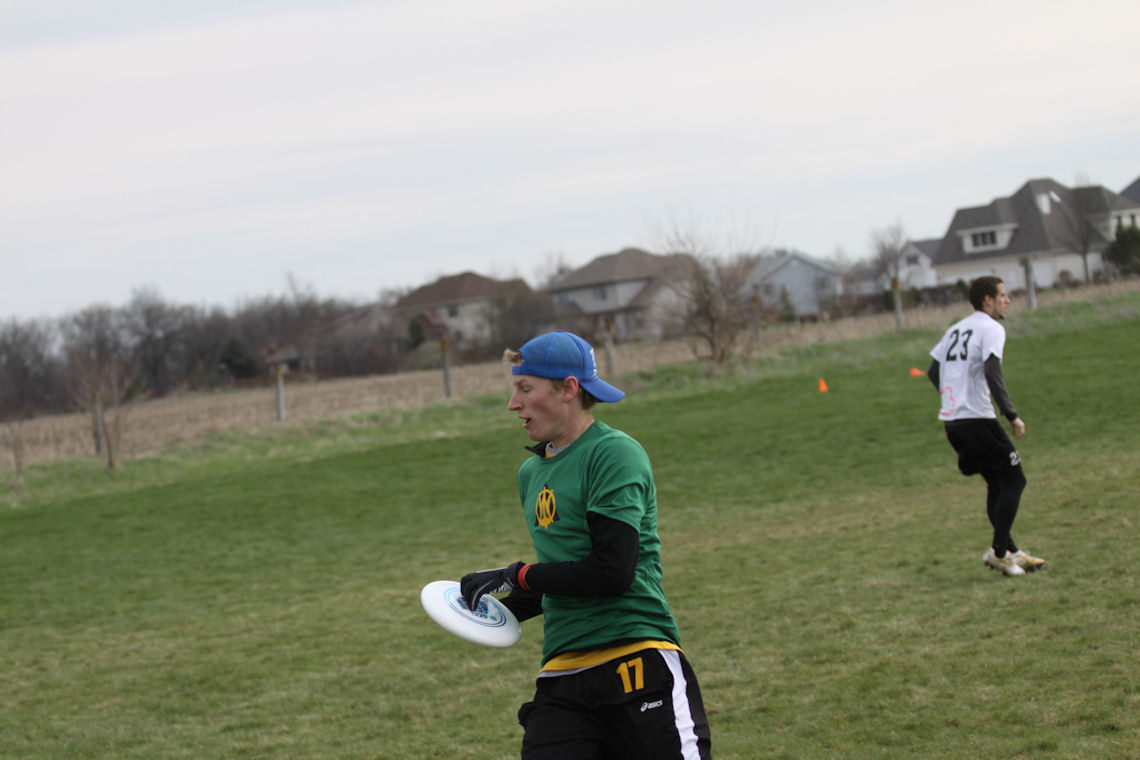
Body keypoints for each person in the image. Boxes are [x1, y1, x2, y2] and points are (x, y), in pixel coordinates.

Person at [460, 330, 712, 759]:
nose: (513, 403)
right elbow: (564, 576)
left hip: (634, 657)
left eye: (525, 388)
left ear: (568, 389)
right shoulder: (530, 474)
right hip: (564, 677)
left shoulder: (613, 453)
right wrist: (490, 607)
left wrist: (516, 575)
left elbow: (611, 571)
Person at [927, 276, 1045, 577]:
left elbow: (933, 370)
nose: (1008, 300)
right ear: (988, 300)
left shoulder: (955, 328)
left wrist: (952, 397)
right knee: (1015, 480)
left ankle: (1010, 550)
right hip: (978, 420)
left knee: (997, 482)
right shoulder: (992, 328)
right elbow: (993, 372)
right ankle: (999, 552)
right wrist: (1011, 414)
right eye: (1003, 295)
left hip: (953, 422)